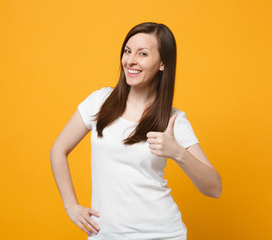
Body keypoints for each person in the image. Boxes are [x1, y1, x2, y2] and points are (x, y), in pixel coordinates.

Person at [50, 22, 222, 240]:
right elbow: (58, 150)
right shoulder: (99, 101)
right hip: (106, 235)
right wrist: (71, 206)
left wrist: (177, 152)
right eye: (127, 51)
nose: (130, 60)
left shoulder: (172, 121)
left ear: (162, 63)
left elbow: (214, 188)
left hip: (161, 234)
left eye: (142, 54)